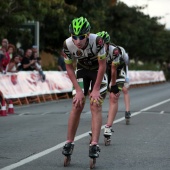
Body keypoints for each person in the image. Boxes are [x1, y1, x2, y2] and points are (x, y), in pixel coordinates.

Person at [62, 16, 108, 163]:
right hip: (82, 70)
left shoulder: (98, 41)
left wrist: (95, 89)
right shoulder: (67, 44)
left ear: (87, 35)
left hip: (97, 72)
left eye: (81, 37)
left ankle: (94, 144)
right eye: (74, 37)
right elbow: (69, 68)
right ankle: (69, 142)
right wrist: (79, 90)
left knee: (95, 104)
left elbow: (102, 66)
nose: (78, 41)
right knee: (77, 104)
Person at [95, 31, 131, 144]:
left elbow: (117, 69)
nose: (100, 47)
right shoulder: (95, 49)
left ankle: (108, 127)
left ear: (108, 44)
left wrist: (115, 84)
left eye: (103, 45)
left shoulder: (115, 51)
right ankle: (95, 125)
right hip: (106, 70)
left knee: (113, 96)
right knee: (99, 96)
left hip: (119, 69)